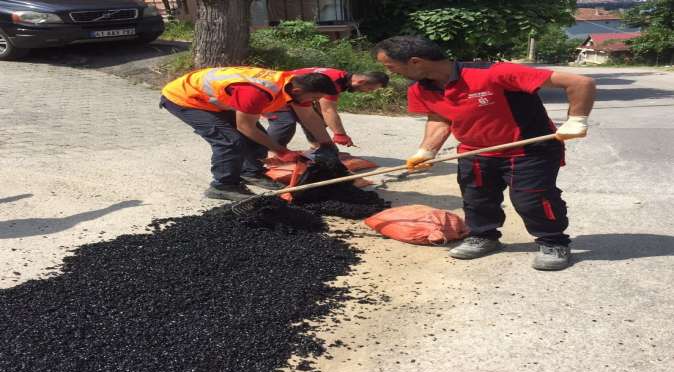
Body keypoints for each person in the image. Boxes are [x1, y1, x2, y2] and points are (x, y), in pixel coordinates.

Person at [373, 36, 596, 271]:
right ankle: (484, 237)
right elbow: (440, 118)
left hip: (528, 150)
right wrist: (426, 150)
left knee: (531, 200)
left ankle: (553, 242)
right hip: (475, 152)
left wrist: (577, 120)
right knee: (476, 199)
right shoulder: (420, 90)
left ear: (416, 62)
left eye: (390, 66)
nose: (391, 72)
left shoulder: (493, 73)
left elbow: (581, 83)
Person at [160, 67, 340, 201]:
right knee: (231, 141)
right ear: (299, 91)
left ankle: (251, 173)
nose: (315, 102)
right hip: (184, 98)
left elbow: (309, 116)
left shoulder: (294, 85)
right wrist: (281, 151)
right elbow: (245, 127)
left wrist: (327, 145)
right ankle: (222, 185)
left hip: (213, 100)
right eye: (315, 98)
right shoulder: (258, 92)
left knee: (259, 138)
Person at [265, 68, 389, 149]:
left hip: (297, 93)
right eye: (370, 89)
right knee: (285, 122)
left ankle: (318, 147)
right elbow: (328, 110)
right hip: (278, 92)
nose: (367, 92)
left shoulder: (339, 76)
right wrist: (340, 134)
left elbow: (320, 109)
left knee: (315, 120)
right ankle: (271, 154)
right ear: (361, 82)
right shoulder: (333, 81)